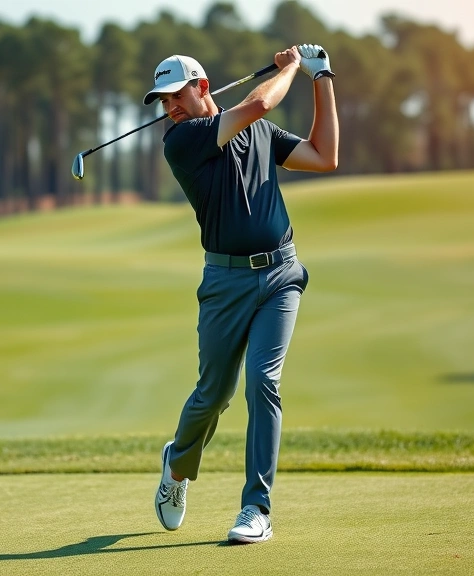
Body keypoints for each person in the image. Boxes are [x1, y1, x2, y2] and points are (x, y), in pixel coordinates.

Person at [145, 44, 339, 543]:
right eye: (163, 102)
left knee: (262, 382)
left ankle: (256, 508)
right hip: (225, 283)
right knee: (214, 394)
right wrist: (292, 67)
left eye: (175, 96)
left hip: (281, 275)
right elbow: (258, 105)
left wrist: (323, 79)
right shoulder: (182, 141)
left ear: (201, 87)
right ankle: (178, 463)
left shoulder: (259, 134)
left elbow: (325, 156)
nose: (170, 108)